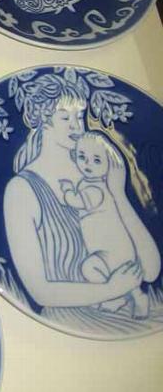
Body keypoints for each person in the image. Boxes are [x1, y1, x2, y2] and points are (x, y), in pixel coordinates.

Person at [3, 73, 160, 331]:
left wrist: (118, 194)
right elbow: (39, 292)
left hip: (130, 315)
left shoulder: (96, 173)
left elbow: (151, 271)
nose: (77, 126)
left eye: (79, 116)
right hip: (67, 323)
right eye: (65, 118)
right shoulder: (21, 190)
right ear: (42, 119)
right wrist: (111, 289)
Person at [62, 132, 149, 318]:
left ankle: (126, 297)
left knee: (96, 269)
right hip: (105, 249)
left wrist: (67, 190)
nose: (88, 164)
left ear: (109, 163)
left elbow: (77, 201)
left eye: (96, 160)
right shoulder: (88, 183)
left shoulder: (96, 189)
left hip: (114, 249)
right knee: (93, 269)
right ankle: (123, 297)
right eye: (82, 157)